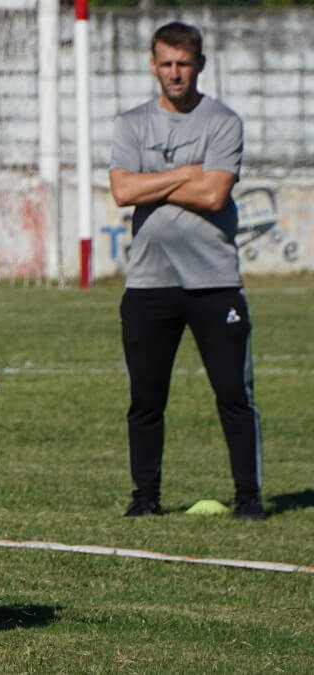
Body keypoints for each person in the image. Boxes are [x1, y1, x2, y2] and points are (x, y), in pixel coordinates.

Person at [108, 22, 263, 520]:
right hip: (148, 284)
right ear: (153, 65)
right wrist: (185, 173)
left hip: (215, 282)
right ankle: (145, 499)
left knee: (234, 396)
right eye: (166, 63)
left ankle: (249, 500)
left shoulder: (223, 121)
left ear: (200, 64)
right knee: (146, 400)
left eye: (184, 63)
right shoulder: (132, 123)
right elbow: (122, 193)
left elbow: (214, 194)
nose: (175, 73)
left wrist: (149, 181)